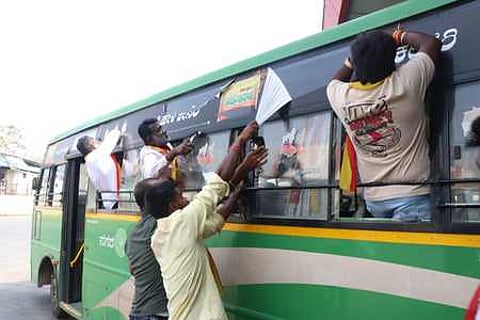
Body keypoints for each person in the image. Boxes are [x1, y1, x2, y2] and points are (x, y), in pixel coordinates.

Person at [140, 121, 267, 320]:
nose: (185, 199)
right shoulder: (182, 223)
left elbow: (215, 220)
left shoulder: (161, 236)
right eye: (180, 196)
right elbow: (216, 184)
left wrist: (238, 187)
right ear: (172, 207)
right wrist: (241, 140)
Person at [326, 29, 441, 221]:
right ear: (393, 59)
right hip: (412, 196)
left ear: (355, 63)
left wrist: (352, 60)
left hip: (374, 202)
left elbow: (334, 81)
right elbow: (431, 43)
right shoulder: (406, 82)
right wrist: (396, 35)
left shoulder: (340, 96)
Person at [125, 167, 173, 320]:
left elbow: (132, 270)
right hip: (156, 316)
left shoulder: (134, 232)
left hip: (139, 313)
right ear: (149, 200)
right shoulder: (158, 224)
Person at [77, 128, 132, 210]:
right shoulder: (95, 157)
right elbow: (112, 137)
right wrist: (119, 131)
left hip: (110, 201)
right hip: (113, 202)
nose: (98, 142)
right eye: (94, 140)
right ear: (92, 144)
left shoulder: (95, 161)